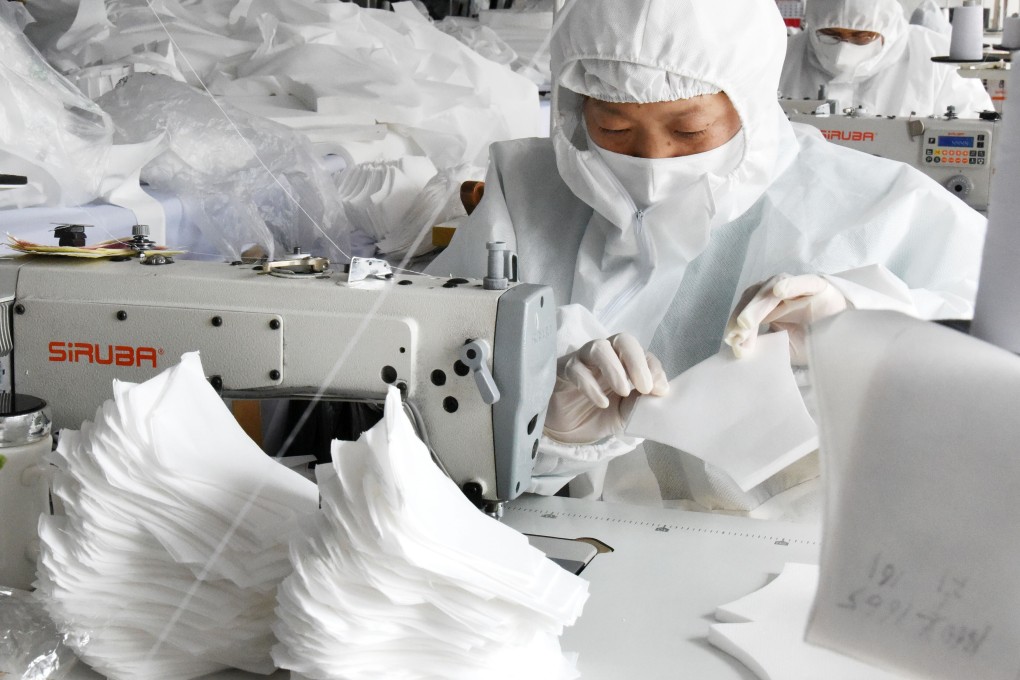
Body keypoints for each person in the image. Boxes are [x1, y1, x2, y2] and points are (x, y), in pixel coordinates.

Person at [427, 0, 985, 516]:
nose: (653, 158)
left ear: (751, 105)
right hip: (550, 543)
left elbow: (992, 365)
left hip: (788, 566)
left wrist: (868, 323)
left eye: (690, 131)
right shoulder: (526, 192)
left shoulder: (880, 209)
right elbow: (418, 383)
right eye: (613, 127)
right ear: (575, 111)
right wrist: (541, 426)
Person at [780, 0, 993, 117]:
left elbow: (975, 132)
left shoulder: (937, 59)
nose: (843, 49)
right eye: (831, 35)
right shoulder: (783, 55)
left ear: (888, 28)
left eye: (862, 37)